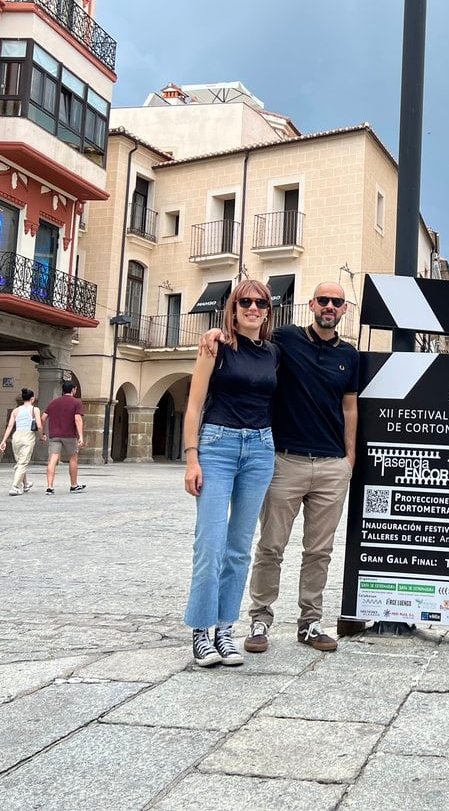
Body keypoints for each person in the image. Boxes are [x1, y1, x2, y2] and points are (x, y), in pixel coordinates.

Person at [202, 281, 358, 654]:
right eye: (324, 300)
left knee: (320, 551)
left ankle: (310, 622)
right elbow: (249, 335)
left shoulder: (350, 356)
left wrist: (349, 459)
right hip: (285, 460)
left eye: (337, 302)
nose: (330, 306)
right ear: (311, 304)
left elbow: (349, 407)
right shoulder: (285, 340)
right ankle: (259, 619)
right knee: (271, 547)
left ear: (344, 309)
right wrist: (216, 332)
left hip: (332, 464)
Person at [182, 279, 278, 667]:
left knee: (239, 548)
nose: (253, 308)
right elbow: (193, 406)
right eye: (245, 302)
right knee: (210, 544)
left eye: (260, 302)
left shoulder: (274, 353)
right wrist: (192, 458)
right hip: (217, 447)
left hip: (260, 449)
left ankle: (225, 629)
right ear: (233, 309)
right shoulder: (215, 347)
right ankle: (201, 632)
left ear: (268, 310)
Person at [42, 381, 85, 495]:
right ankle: (73, 485)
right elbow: (78, 419)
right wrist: (81, 436)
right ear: (73, 390)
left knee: (53, 459)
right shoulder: (76, 402)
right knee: (73, 458)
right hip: (69, 435)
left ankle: (50, 487)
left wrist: (42, 432)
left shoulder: (53, 402)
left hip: (54, 435)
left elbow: (44, 417)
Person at [0, 388, 43, 495]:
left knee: (20, 462)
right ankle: (15, 487)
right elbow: (39, 425)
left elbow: (10, 426)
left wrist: (3, 441)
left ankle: (26, 484)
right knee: (23, 463)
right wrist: (42, 435)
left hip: (17, 436)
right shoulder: (35, 410)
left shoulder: (16, 411)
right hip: (28, 436)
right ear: (32, 399)